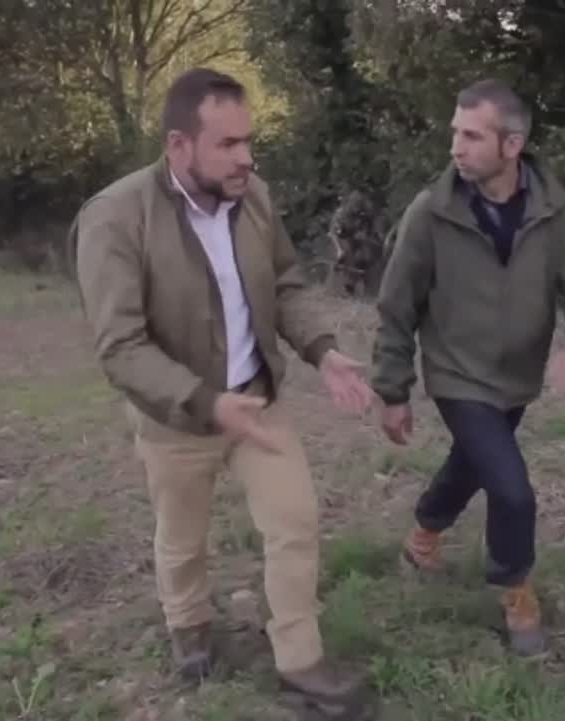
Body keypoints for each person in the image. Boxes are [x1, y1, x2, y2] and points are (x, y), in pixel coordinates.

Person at [68, 67, 376, 718]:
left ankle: (300, 663)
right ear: (179, 146)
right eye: (228, 144)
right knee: (182, 535)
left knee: (295, 523)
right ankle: (189, 624)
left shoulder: (253, 198)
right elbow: (120, 345)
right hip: (176, 417)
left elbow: (286, 284)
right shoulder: (115, 217)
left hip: (258, 402)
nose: (246, 158)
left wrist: (322, 350)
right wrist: (205, 402)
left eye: (248, 141)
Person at [369, 78, 565, 657]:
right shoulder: (431, 213)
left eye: (472, 136)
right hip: (457, 372)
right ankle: (515, 588)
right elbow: (396, 305)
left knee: (472, 463)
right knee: (512, 489)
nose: (456, 147)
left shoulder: (555, 211)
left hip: (517, 376)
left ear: (512, 145)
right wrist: (392, 388)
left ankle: (422, 538)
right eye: (456, 132)